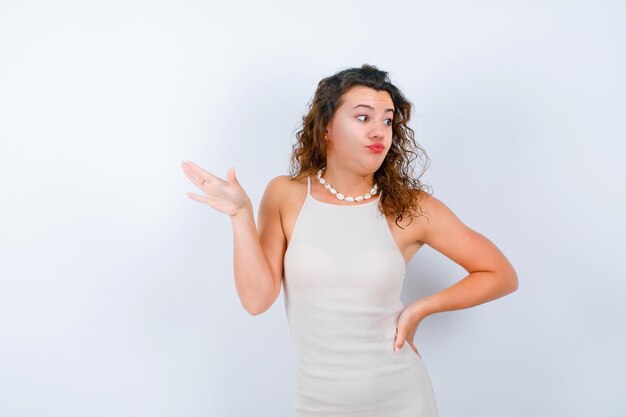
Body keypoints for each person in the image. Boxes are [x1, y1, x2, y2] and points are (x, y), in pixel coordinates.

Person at [181, 64, 519, 417]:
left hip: (402, 400)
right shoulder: (286, 194)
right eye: (363, 117)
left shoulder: (409, 207)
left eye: (387, 121)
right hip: (318, 406)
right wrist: (240, 216)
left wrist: (421, 308)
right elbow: (255, 299)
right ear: (326, 127)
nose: (379, 131)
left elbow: (500, 274)